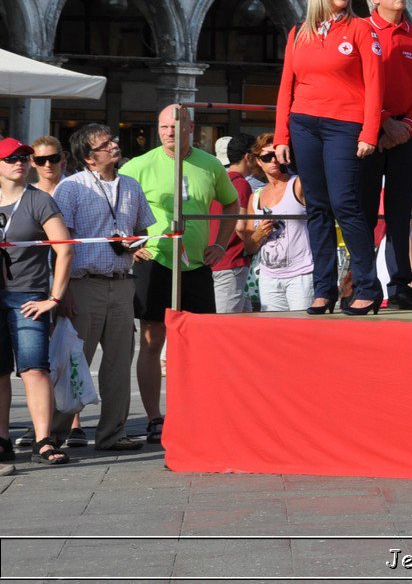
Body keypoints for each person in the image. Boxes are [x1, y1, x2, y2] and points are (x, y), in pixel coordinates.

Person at [122, 105, 239, 444]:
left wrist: (220, 243)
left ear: (190, 126)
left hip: (196, 265)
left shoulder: (210, 163)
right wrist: (131, 246)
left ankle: (199, 410)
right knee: (151, 339)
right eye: (162, 127)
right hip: (155, 262)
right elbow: (116, 206)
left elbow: (231, 204)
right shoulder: (139, 166)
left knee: (200, 342)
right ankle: (154, 417)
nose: (169, 132)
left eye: (175, 126)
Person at [273, 0, 383, 316]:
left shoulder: (360, 31)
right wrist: (281, 136)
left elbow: (374, 86)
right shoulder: (298, 33)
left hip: (345, 125)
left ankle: (368, 286)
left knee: (345, 204)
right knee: (316, 207)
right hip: (304, 124)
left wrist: (369, 132)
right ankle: (323, 289)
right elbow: (286, 87)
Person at [43, 125, 150, 455]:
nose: (114, 147)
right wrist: (64, 292)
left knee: (119, 362)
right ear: (89, 158)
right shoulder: (71, 189)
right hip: (83, 284)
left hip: (121, 283)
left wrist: (133, 243)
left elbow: (142, 228)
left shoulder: (131, 185)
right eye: (105, 145)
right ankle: (52, 434)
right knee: (74, 360)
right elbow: (59, 243)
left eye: (113, 141)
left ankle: (112, 432)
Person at [361, 0, 412, 310]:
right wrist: (383, 122)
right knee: (363, 212)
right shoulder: (361, 31)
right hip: (369, 133)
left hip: (406, 135)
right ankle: (364, 283)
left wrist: (405, 126)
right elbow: (356, 86)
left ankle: (401, 284)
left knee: (400, 212)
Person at [0, 138, 73, 468]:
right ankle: (2, 440)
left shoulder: (38, 200)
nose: (20, 162)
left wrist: (53, 298)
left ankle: (42, 439)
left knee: (34, 369)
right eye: (11, 158)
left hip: (28, 295)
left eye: (24, 157)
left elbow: (65, 249)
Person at [239, 133, 316, 312]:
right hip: (269, 277)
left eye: (276, 154)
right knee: (274, 331)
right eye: (266, 157)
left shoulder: (297, 184)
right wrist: (259, 233)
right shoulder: (255, 197)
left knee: (302, 330)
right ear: (258, 161)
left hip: (301, 273)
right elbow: (249, 247)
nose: (273, 160)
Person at [209, 133, 257, 314]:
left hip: (214, 258)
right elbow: (241, 227)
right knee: (225, 323)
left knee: (242, 321)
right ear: (248, 157)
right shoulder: (242, 184)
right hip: (232, 260)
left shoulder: (219, 181)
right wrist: (258, 238)